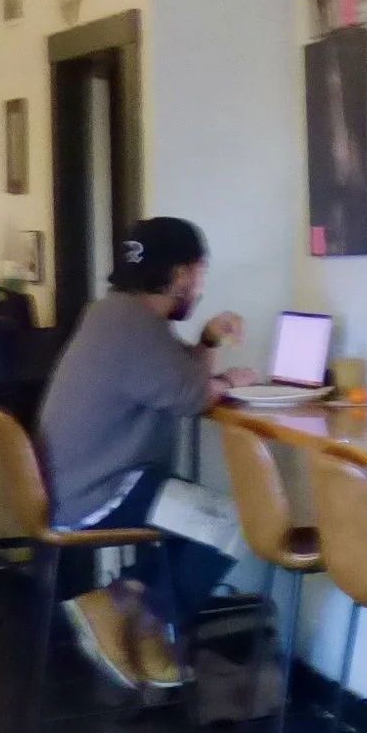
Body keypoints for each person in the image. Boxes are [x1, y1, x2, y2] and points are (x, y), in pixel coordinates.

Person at [36, 217, 258, 692]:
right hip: (99, 492)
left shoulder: (116, 315)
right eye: (199, 274)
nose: (199, 288)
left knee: (198, 521)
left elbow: (177, 378)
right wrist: (223, 382)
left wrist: (207, 344)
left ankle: (131, 607)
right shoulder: (135, 327)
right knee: (229, 523)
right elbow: (189, 396)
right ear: (180, 275)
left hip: (82, 482)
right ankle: (134, 612)